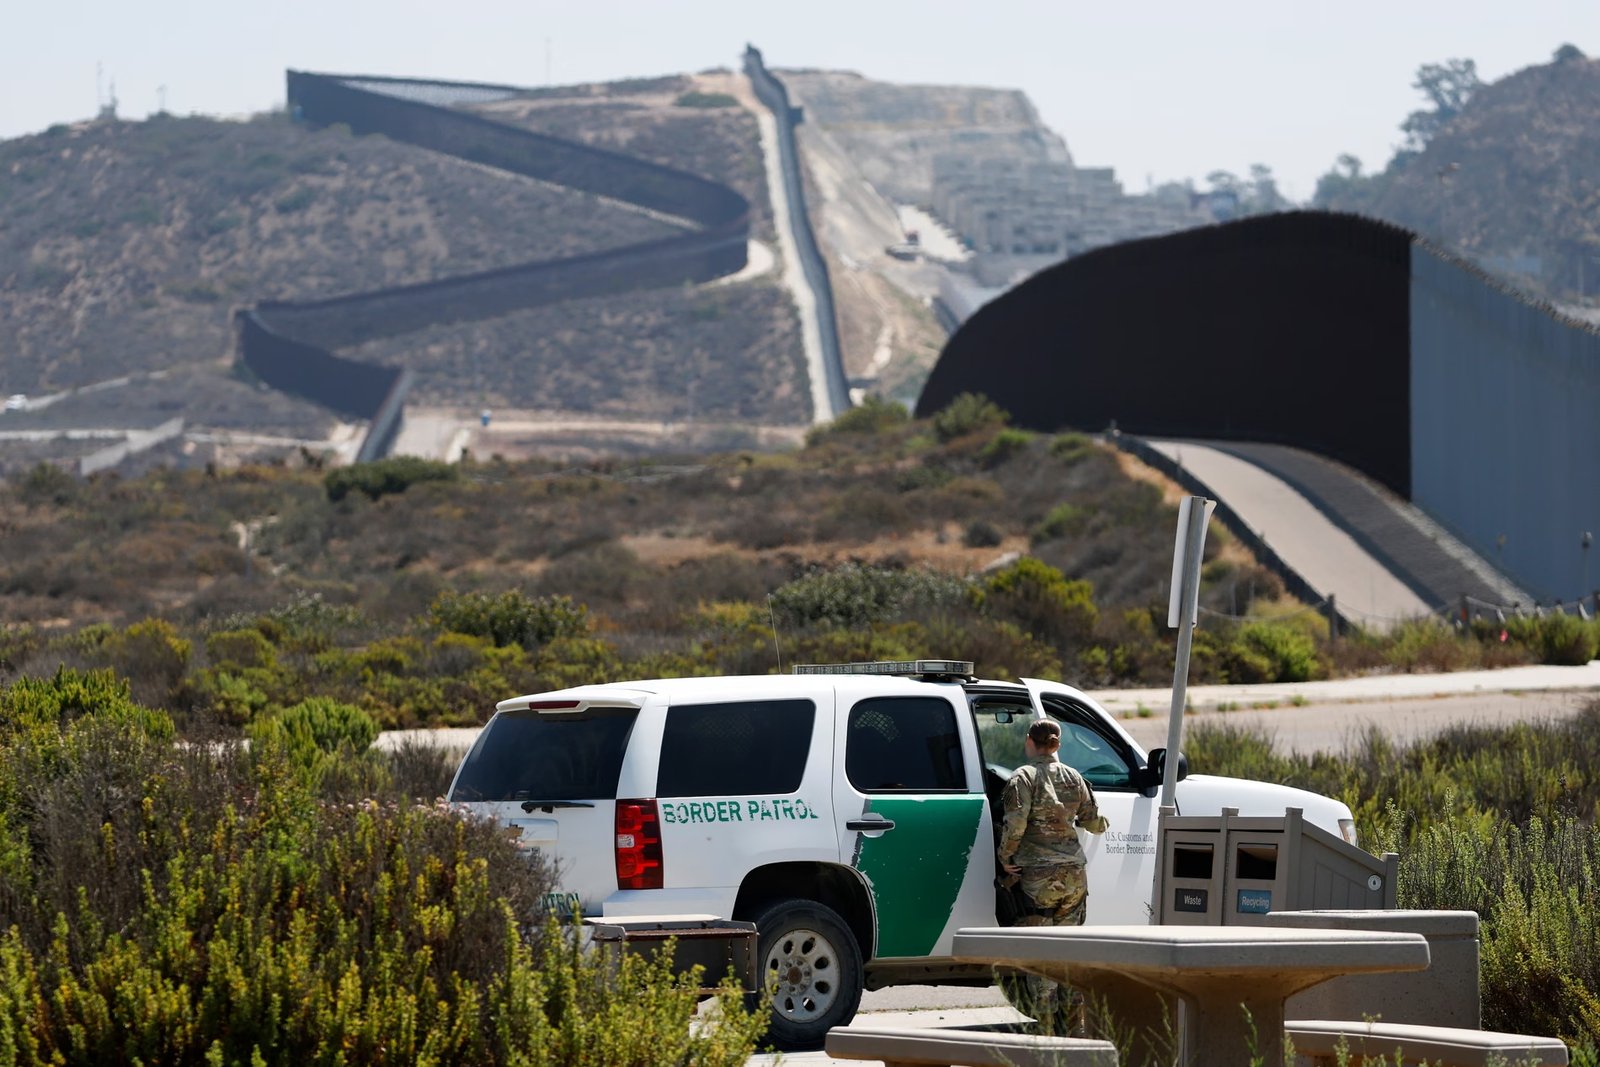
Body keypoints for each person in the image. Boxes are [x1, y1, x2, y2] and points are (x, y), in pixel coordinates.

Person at [996, 718, 1109, 1034]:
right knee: (1069, 951)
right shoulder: (1074, 777)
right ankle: (1075, 1030)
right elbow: (1094, 822)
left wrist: (1005, 857)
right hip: (1074, 876)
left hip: (1040, 878)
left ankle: (1046, 1032)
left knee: (1042, 954)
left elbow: (1016, 824)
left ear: (1029, 741)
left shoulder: (1023, 777)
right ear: (1058, 744)